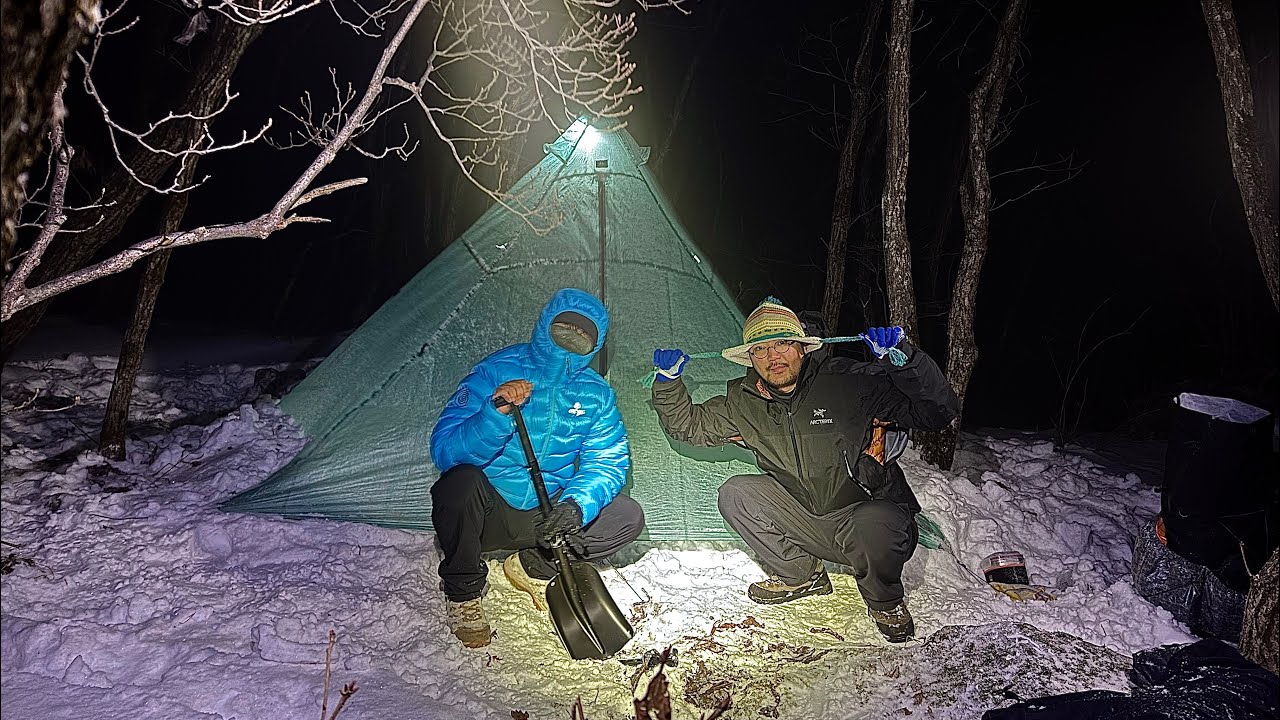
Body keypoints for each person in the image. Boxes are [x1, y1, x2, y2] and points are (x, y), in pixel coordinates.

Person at [650, 297, 958, 642]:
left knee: (873, 523)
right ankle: (802, 575)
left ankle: (884, 601)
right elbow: (689, 427)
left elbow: (936, 412)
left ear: (802, 348)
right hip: (807, 519)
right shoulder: (742, 401)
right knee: (736, 493)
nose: (772, 357)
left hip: (867, 516)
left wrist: (906, 361)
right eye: (760, 349)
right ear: (750, 358)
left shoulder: (848, 382)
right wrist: (668, 383)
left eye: (782, 343)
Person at [430, 288, 644, 649]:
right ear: (546, 325)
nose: (573, 337)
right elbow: (445, 451)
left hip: (547, 517)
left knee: (626, 515)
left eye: (584, 333)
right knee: (458, 484)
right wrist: (494, 412)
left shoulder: (596, 393)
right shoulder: (497, 369)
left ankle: (532, 564)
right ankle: (463, 591)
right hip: (489, 512)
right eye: (565, 327)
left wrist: (575, 505)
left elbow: (607, 460)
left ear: (595, 342)